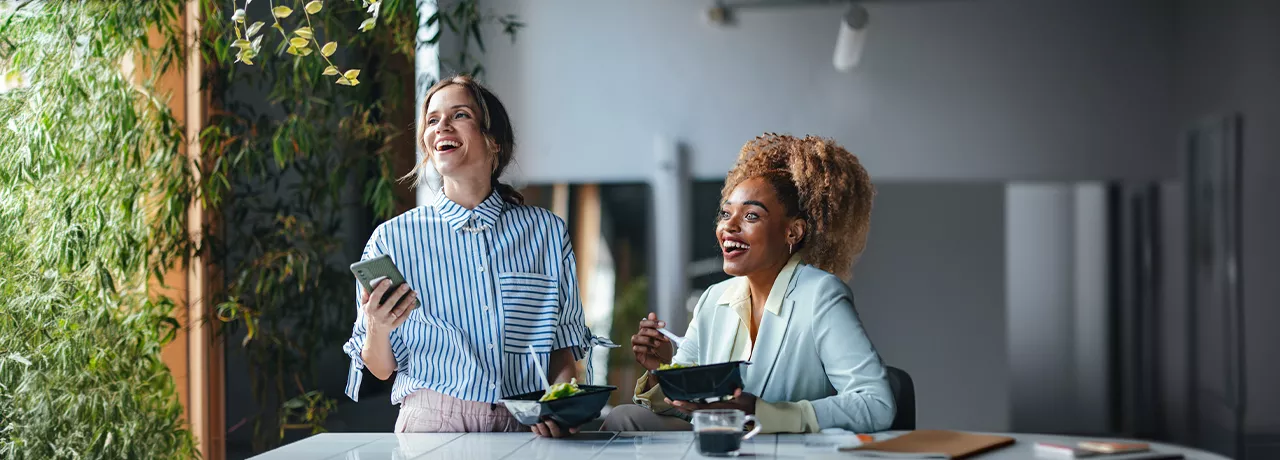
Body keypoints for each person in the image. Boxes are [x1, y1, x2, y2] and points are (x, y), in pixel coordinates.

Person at [341, 75, 601, 438]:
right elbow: (381, 369)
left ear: (493, 141)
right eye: (432, 120)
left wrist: (558, 406)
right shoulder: (392, 240)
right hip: (433, 424)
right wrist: (377, 327)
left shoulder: (546, 233)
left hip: (525, 423)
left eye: (458, 115)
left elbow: (560, 349)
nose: (441, 126)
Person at [602, 133, 895, 433]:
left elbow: (876, 403)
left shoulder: (819, 295)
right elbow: (685, 405)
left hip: (783, 450)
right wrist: (661, 370)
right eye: (726, 213)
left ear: (792, 232)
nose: (729, 226)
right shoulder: (713, 300)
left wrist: (764, 412)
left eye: (751, 215)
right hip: (722, 441)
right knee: (623, 419)